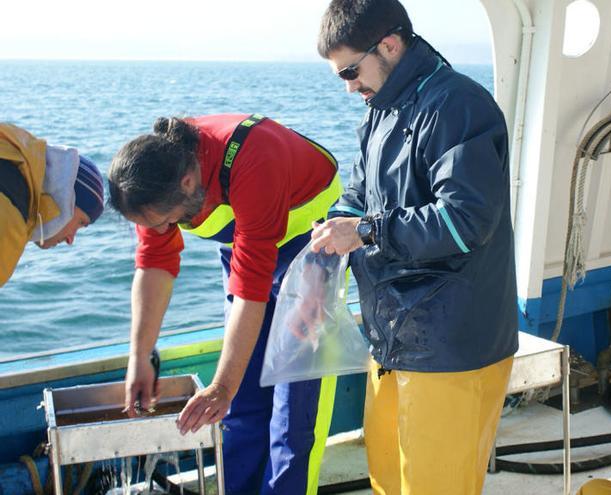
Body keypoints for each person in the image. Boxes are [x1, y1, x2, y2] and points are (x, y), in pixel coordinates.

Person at [313, 1, 519, 493]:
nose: (348, 87)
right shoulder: (379, 111)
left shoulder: (458, 106)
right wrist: (333, 227)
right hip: (393, 340)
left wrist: (366, 231)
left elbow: (466, 220)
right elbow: (360, 197)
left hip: (452, 345)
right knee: (388, 478)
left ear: (388, 45)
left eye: (349, 70)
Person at [107, 114, 342, 495]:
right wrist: (140, 355)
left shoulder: (254, 160)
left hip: (313, 243)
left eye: (169, 221)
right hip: (247, 241)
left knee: (294, 411)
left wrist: (220, 386)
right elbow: (154, 263)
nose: (165, 230)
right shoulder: (154, 184)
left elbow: (251, 288)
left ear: (188, 183)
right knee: (240, 405)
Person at [1, 123, 104, 287]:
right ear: (66, 197)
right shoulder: (10, 216)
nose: (71, 240)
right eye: (80, 223)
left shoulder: (7, 162)